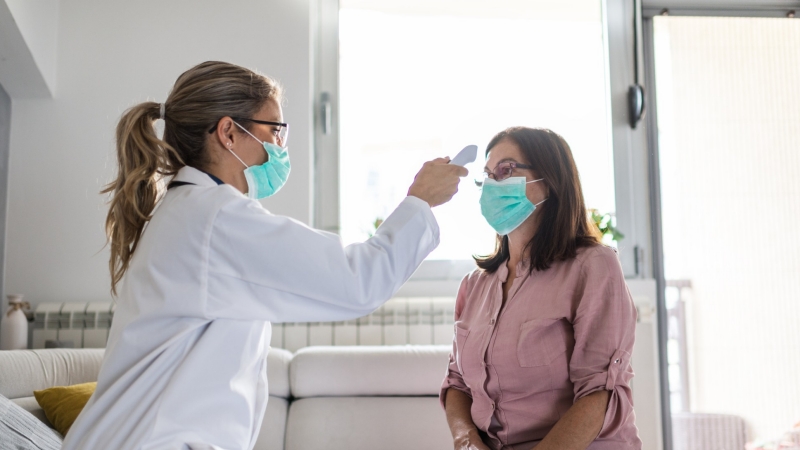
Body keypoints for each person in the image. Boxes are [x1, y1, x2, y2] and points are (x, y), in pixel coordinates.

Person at [62, 61, 467, 450]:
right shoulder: (215, 218)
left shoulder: (190, 212)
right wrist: (420, 200)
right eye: (275, 130)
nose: (279, 147)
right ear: (228, 133)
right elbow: (356, 283)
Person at [441, 127, 641, 450]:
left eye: (506, 170)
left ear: (548, 180)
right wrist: (466, 440)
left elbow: (599, 395)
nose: (493, 184)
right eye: (487, 176)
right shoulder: (474, 286)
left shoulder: (593, 267)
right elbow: (456, 384)